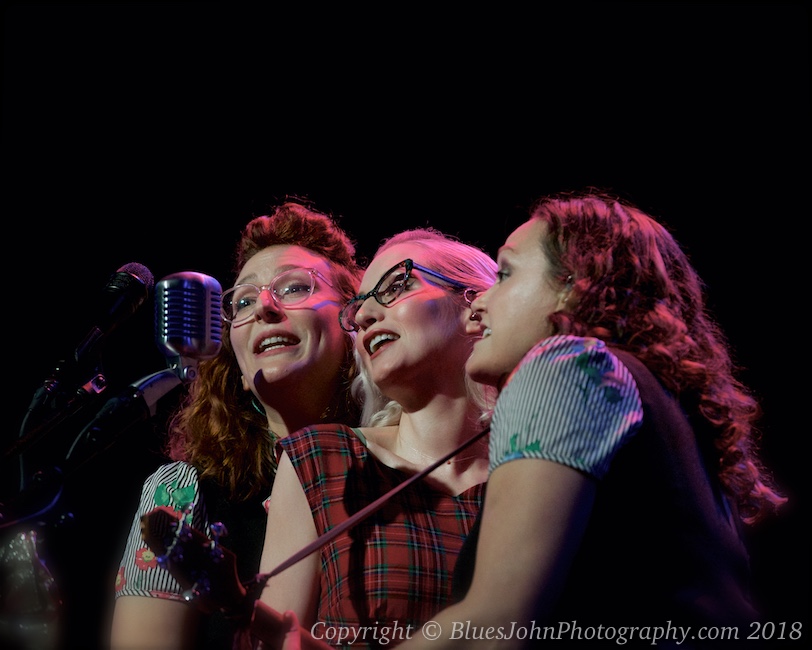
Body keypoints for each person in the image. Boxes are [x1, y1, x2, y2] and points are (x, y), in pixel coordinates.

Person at [394, 188, 787, 650]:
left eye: (504, 274)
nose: (477, 305)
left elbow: (495, 628)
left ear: (575, 283)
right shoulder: (676, 420)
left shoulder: (567, 365)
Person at [110, 198, 365, 650]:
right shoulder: (185, 493)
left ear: (355, 321)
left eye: (292, 288)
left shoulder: (402, 466)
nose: (264, 308)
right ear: (241, 373)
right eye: (243, 300)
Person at [255, 228, 499, 649]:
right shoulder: (323, 460)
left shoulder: (537, 471)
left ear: (474, 304)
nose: (364, 316)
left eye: (398, 284)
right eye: (358, 307)